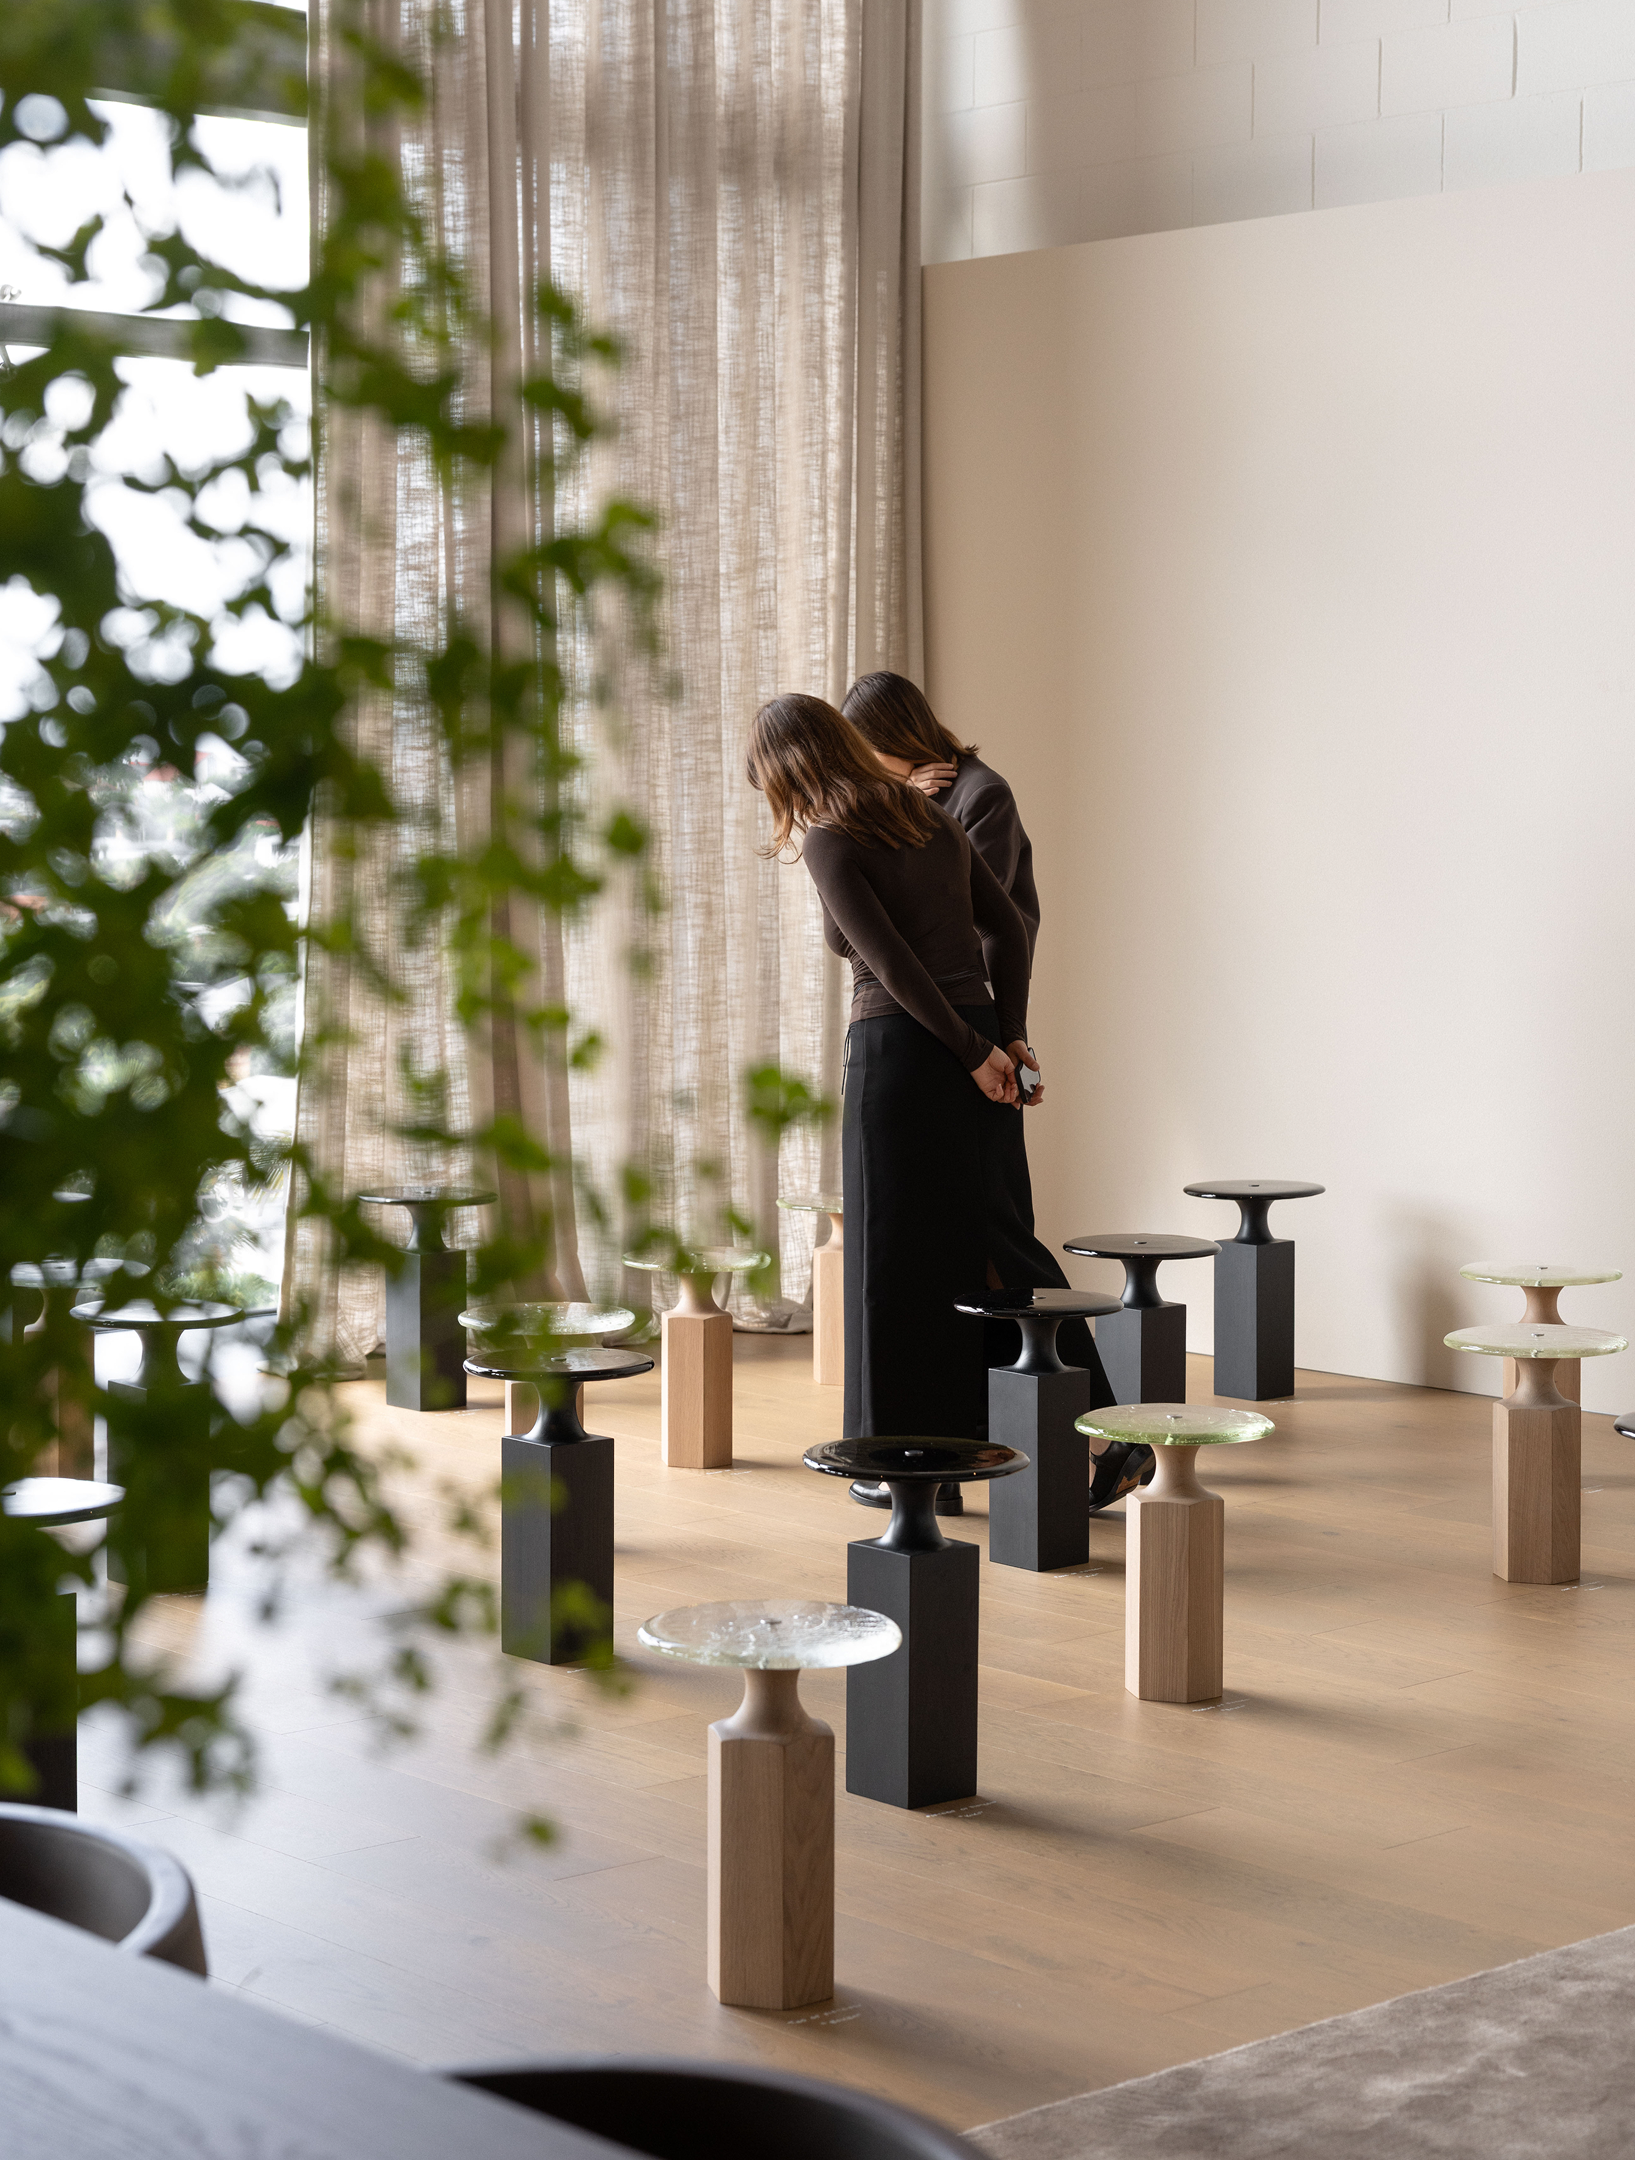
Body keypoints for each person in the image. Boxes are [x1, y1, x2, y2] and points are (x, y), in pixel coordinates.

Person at [841, 671, 1153, 1512]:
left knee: (996, 1237)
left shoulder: (978, 795)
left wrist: (1004, 1040)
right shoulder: (914, 798)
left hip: (962, 1039)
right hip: (946, 1036)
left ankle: (1103, 1435)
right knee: (964, 1244)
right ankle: (992, 1444)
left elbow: (981, 920)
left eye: (863, 749)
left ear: (890, 737)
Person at [746, 693, 1027, 1500]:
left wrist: (973, 1053)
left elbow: (891, 967)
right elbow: (1005, 928)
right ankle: (994, 1447)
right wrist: (1004, 1038)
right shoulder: (927, 816)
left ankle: (896, 1465)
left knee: (889, 1265)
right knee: (972, 1247)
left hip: (899, 1051)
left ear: (787, 771)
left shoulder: (830, 838)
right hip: (975, 1031)